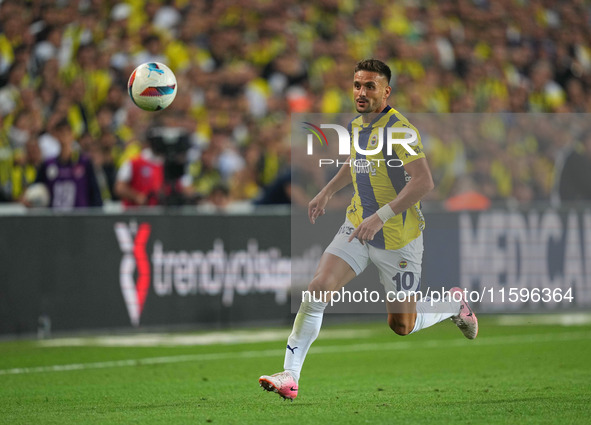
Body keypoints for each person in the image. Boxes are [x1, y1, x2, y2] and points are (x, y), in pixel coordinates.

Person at [259, 59, 478, 401]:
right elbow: (356, 162)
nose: (361, 92)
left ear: (386, 91)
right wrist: (327, 191)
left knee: (401, 326)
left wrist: (383, 216)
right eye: (357, 85)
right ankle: (290, 375)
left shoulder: (401, 131)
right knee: (318, 288)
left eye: (370, 86)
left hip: (398, 237)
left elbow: (424, 181)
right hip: (358, 223)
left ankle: (452, 304)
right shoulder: (358, 124)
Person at [34, 119, 103, 210]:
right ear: (56, 136)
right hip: (54, 219)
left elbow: (96, 195)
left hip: (80, 219)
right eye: (60, 132)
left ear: (72, 135)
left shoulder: (84, 163)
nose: (64, 136)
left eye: (67, 132)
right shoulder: (48, 165)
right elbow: (36, 189)